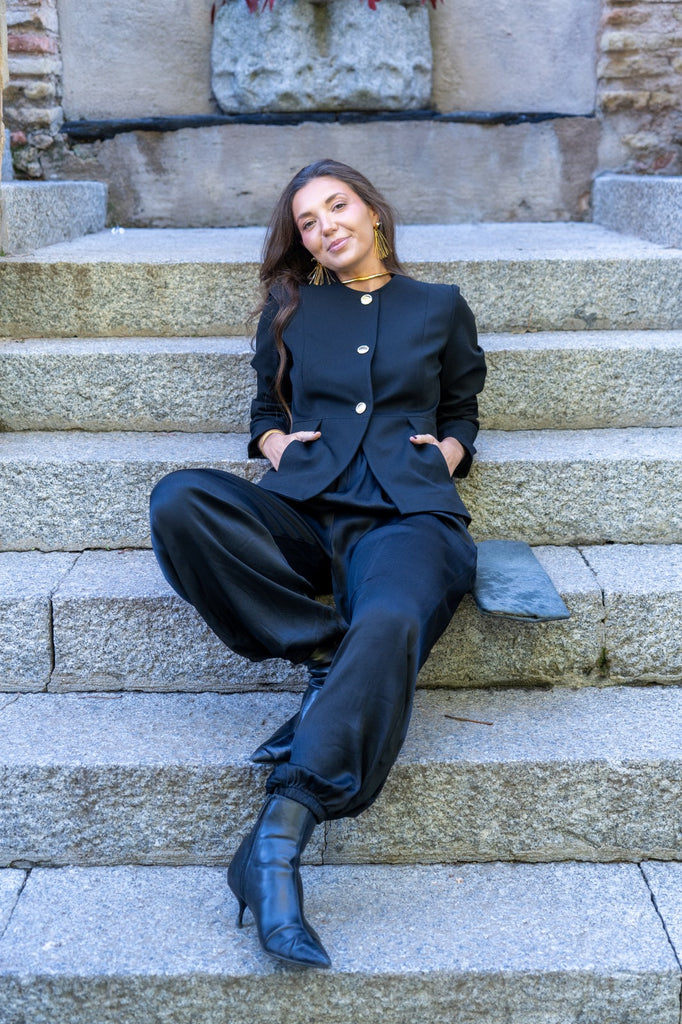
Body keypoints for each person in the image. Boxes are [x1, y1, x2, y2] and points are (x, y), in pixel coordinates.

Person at [149, 159, 487, 969]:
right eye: (308, 220)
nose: (326, 225)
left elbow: (463, 408)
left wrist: (445, 454)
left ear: (372, 212)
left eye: (337, 206)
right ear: (300, 239)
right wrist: (275, 444)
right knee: (179, 500)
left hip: (408, 518)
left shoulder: (438, 305)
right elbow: (264, 408)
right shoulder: (291, 308)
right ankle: (329, 653)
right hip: (304, 508)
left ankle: (276, 843)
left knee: (392, 616)